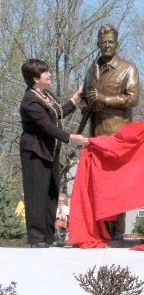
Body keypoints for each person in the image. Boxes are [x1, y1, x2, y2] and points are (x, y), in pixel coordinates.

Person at [20, 59, 89, 248]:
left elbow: (58, 113)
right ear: (35, 78)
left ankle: (49, 237)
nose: (50, 74)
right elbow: (46, 126)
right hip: (35, 152)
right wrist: (71, 137)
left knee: (51, 194)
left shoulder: (45, 95)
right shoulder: (30, 100)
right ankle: (36, 238)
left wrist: (77, 96)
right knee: (37, 194)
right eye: (45, 73)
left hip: (51, 152)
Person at [80, 24, 140, 240]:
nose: (106, 45)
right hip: (96, 134)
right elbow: (85, 97)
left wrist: (105, 100)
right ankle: (102, 229)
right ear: (97, 44)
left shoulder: (128, 68)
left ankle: (118, 231)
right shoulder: (91, 70)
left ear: (117, 43)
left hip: (118, 135)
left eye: (110, 42)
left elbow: (133, 98)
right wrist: (85, 104)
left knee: (118, 184)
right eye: (103, 42)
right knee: (99, 184)